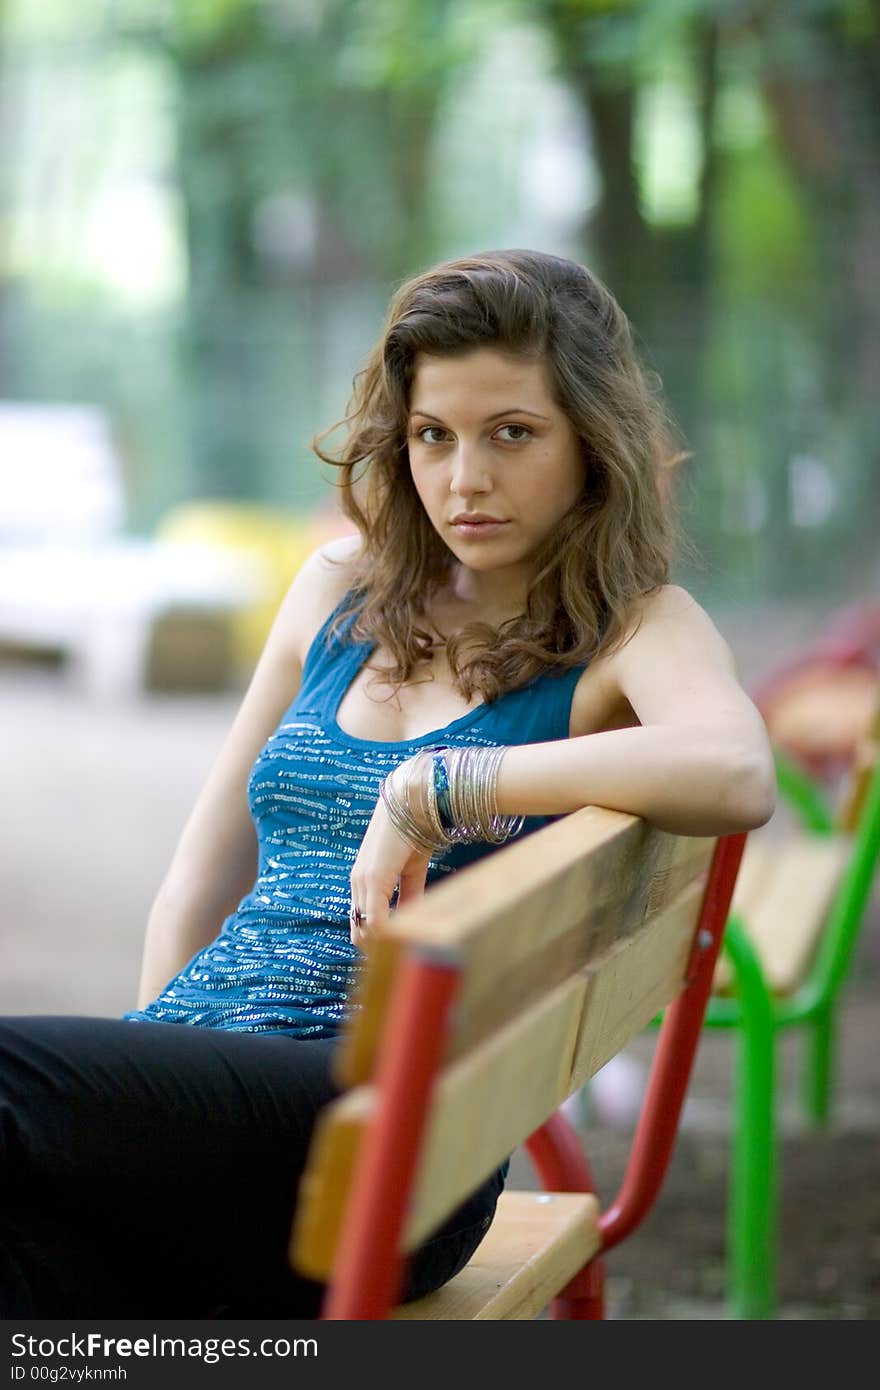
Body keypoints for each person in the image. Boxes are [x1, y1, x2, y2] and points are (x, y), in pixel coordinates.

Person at [0, 248, 776, 1318]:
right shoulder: (336, 590)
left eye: (512, 432)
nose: (465, 478)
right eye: (432, 436)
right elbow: (198, 879)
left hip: (385, 1135)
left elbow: (735, 769)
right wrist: (141, 1106)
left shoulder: (634, 628)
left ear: (590, 443)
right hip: (223, 1130)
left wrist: (441, 784)